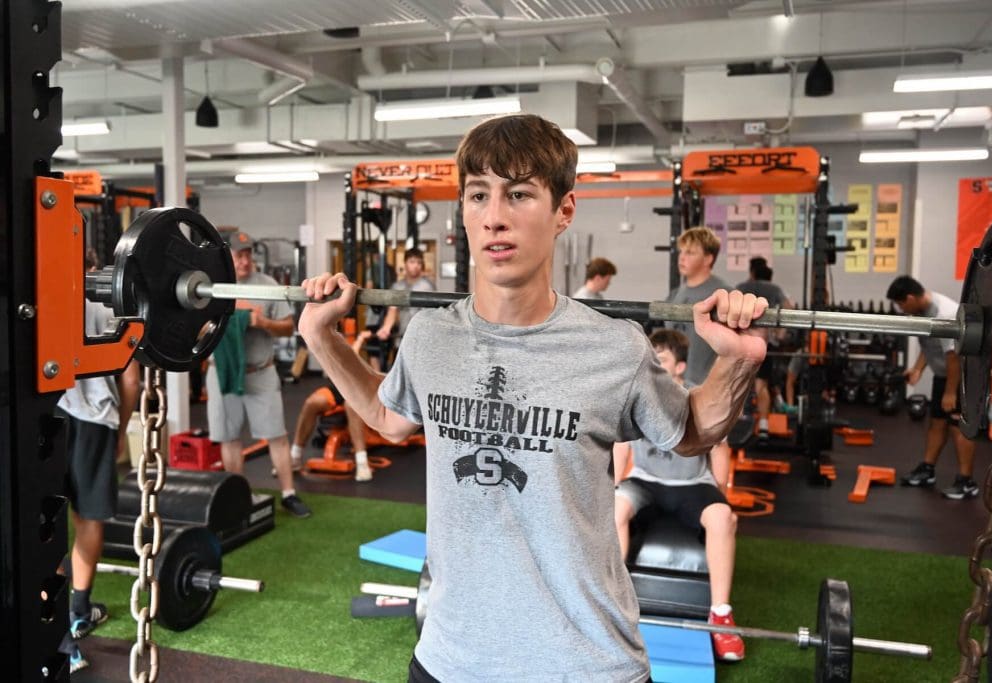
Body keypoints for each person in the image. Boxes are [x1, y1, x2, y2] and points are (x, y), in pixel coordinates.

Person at [298, 113, 768, 682]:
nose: (495, 217)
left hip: (584, 664)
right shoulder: (430, 336)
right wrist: (320, 336)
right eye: (478, 195)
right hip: (450, 660)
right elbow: (389, 419)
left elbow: (692, 431)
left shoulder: (613, 347)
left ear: (563, 210)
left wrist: (737, 359)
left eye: (519, 194)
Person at [613, 328, 744, 662]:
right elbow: (621, 443)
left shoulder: (697, 399)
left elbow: (719, 448)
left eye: (663, 357)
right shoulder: (635, 393)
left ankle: (720, 614)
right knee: (614, 510)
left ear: (680, 368)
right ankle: (615, 607)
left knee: (722, 518)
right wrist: (614, 484)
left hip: (691, 485)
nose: (653, 362)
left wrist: (721, 492)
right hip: (645, 482)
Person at [57, 247, 141, 673]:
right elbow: (130, 375)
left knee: (45, 525)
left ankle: (57, 629)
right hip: (92, 424)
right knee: (88, 520)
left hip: (44, 417)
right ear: (92, 270)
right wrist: (122, 428)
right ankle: (77, 611)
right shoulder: (105, 305)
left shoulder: (35, 300)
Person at [206, 231, 312, 518]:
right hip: (223, 373)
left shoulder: (267, 285)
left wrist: (261, 321)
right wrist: (231, 317)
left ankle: (289, 494)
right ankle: (238, 496)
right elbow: (200, 329)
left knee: (277, 434)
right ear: (226, 257)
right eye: (239, 255)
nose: (244, 260)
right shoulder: (211, 286)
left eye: (248, 254)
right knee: (229, 437)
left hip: (261, 372)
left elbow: (288, 327)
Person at [886, 275, 978, 500]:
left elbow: (954, 357)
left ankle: (967, 482)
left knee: (958, 426)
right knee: (937, 423)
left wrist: (949, 392)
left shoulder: (944, 314)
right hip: (944, 375)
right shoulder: (921, 312)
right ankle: (927, 470)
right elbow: (930, 346)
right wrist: (918, 369)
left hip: (962, 376)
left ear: (909, 298)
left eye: (901, 304)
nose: (901, 309)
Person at [666, 227, 736, 486]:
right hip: (677, 389)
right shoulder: (675, 295)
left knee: (709, 458)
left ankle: (717, 503)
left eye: (690, 252)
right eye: (681, 251)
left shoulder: (723, 295)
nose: (681, 257)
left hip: (707, 391)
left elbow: (734, 350)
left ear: (708, 258)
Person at [292, 330, 375, 482]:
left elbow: (354, 359)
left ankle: (362, 462)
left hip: (361, 385)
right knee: (312, 403)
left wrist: (361, 339)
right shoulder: (333, 326)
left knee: (352, 405)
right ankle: (295, 457)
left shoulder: (369, 331)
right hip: (340, 384)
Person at [736, 258, 792, 440]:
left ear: (752, 273)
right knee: (761, 385)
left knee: (739, 382)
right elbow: (789, 307)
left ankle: (736, 422)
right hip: (762, 345)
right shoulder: (774, 289)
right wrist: (780, 332)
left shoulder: (742, 286)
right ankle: (764, 427)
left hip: (741, 343)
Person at [376, 247, 436, 348]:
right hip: (403, 338)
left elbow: (432, 315)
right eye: (412, 262)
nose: (416, 266)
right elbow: (392, 310)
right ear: (405, 263)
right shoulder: (397, 286)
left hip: (423, 340)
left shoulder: (428, 286)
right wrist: (386, 328)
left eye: (419, 263)